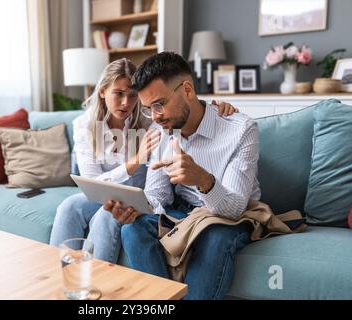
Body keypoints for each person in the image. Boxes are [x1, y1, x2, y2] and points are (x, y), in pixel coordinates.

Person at [103, 52, 261, 299]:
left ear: (187, 90)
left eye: (159, 104)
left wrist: (202, 180)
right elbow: (158, 195)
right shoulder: (161, 131)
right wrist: (137, 208)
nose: (155, 116)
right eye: (147, 109)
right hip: (184, 212)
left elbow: (235, 208)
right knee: (132, 229)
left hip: (229, 217)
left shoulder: (241, 130)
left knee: (215, 237)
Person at [50, 58, 238, 263]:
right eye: (119, 94)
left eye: (132, 96)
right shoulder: (84, 126)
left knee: (105, 217)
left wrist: (215, 106)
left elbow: (182, 107)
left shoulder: (150, 120)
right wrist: (134, 162)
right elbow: (93, 186)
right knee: (69, 207)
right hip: (102, 193)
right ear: (103, 91)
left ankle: (94, 280)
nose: (126, 103)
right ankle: (58, 274)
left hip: (141, 196)